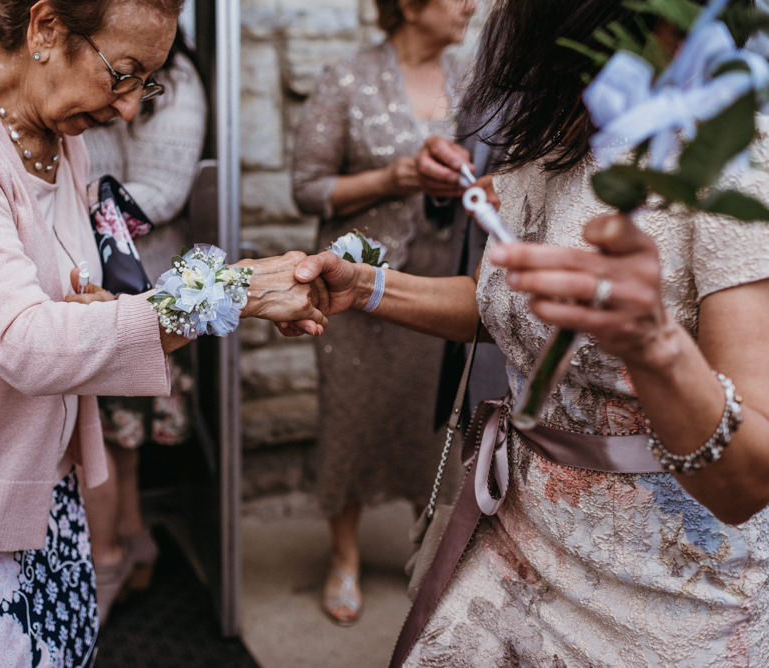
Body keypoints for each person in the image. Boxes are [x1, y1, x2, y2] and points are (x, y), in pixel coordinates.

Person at [0, 0, 327, 664]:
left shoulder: (60, 137)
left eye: (147, 83)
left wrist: (104, 309)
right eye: (122, 73)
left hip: (27, 463)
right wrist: (231, 291)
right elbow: (24, 340)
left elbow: (63, 298)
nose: (129, 108)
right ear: (45, 27)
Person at [292, 0, 769, 663]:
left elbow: (749, 479)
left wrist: (654, 344)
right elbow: (504, 304)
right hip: (515, 543)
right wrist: (370, 286)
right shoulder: (544, 148)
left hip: (666, 591)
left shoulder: (729, 166)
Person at [290, 0, 477, 625]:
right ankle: (343, 553)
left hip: (441, 286)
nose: (471, 6)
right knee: (352, 419)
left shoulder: (472, 78)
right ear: (411, 4)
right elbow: (308, 186)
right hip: (357, 291)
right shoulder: (346, 77)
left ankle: (428, 550)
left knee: (432, 429)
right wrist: (391, 179)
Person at [79, 25, 207, 622]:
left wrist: (76, 201)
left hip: (147, 281)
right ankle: (133, 542)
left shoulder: (177, 82)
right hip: (89, 280)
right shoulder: (84, 65)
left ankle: (109, 557)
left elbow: (165, 189)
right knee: (112, 440)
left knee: (108, 440)